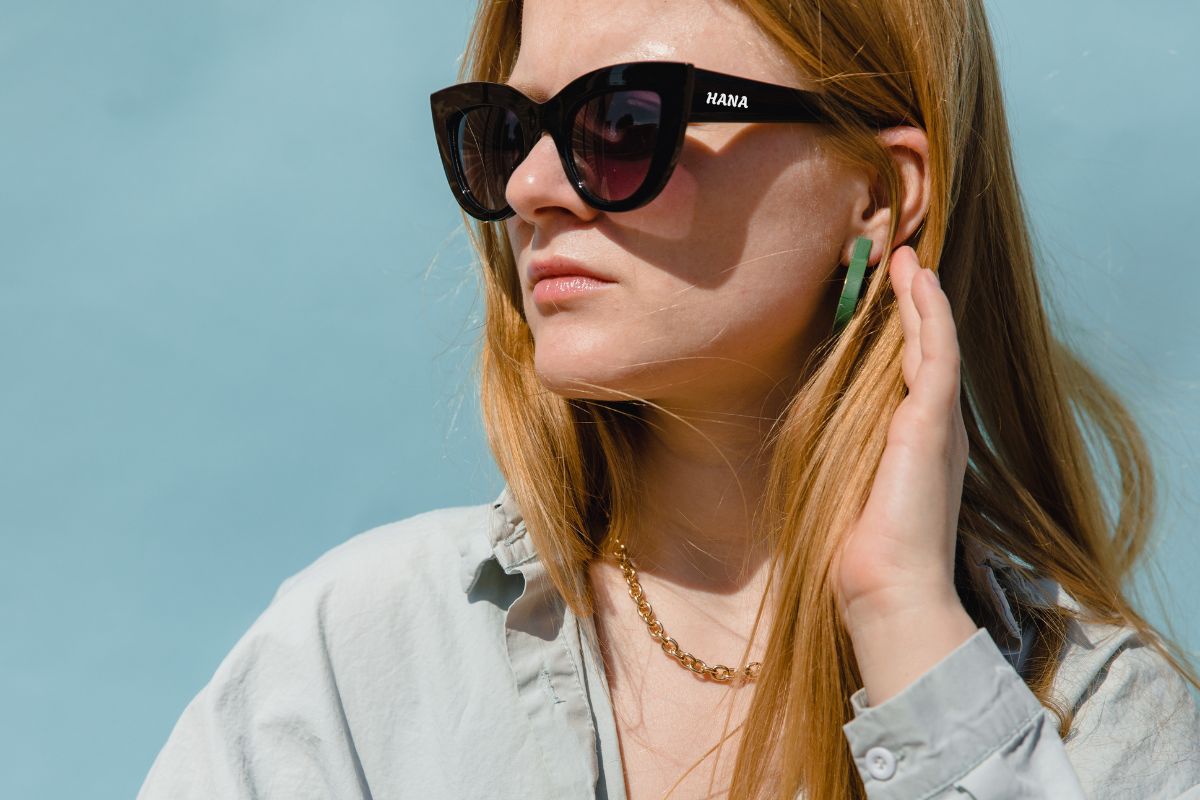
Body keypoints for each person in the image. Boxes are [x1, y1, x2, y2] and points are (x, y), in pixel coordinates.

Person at [138, 0, 1200, 798]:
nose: (527, 190)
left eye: (622, 122)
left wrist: (904, 625)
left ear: (874, 195)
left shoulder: (1091, 717)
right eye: (508, 130)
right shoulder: (357, 662)